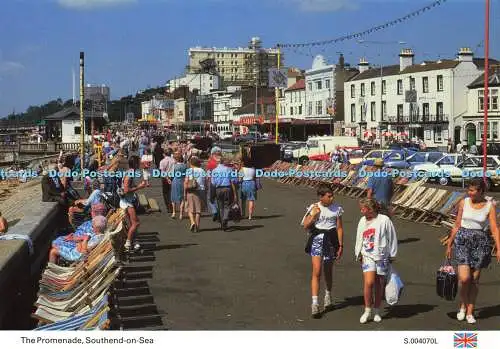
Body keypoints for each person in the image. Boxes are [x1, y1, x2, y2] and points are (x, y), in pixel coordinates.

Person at [445, 179, 500, 324]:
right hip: (463, 240)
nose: (469, 193)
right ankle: (463, 305)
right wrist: (449, 244)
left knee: (474, 280)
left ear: (481, 191)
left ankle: (470, 310)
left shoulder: (490, 206)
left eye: (472, 190)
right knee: (464, 278)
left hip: (481, 242)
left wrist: (499, 248)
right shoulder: (464, 202)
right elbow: (457, 224)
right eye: (468, 190)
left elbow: (494, 228)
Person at [301, 185, 344, 318]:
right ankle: (315, 303)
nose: (332, 198)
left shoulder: (337, 208)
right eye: (329, 196)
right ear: (321, 197)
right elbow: (305, 225)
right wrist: (313, 215)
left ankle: (328, 295)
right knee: (317, 270)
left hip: (331, 240)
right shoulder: (314, 207)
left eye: (332, 195)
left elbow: (339, 228)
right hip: (317, 239)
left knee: (328, 270)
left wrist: (341, 245)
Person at [355, 198, 398, 324]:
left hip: (382, 255)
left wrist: (392, 254)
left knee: (379, 283)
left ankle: (377, 310)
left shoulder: (384, 220)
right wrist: (358, 253)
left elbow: (392, 237)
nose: (360, 211)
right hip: (367, 254)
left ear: (370, 209)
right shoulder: (362, 221)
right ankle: (367, 310)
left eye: (363, 208)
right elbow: (359, 237)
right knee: (369, 282)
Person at [120, 155, 148, 251]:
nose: (140, 164)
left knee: (132, 224)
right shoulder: (130, 174)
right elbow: (126, 190)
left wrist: (138, 186)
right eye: (139, 162)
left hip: (126, 201)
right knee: (136, 223)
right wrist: (139, 187)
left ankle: (134, 241)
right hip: (127, 202)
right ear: (135, 163)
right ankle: (128, 243)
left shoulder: (130, 172)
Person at [211, 156, 238, 231]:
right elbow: (234, 180)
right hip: (227, 188)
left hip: (218, 189)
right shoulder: (229, 169)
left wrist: (212, 194)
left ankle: (223, 220)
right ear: (224, 162)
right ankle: (225, 218)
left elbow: (213, 183)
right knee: (227, 205)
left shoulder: (214, 170)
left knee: (220, 206)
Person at [184, 157, 206, 232]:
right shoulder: (202, 170)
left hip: (191, 190)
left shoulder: (189, 171)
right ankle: (197, 226)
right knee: (198, 210)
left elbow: (186, 182)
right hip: (200, 190)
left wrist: (184, 192)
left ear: (191, 163)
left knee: (190, 209)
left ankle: (192, 222)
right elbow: (205, 181)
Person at [171, 152, 188, 220]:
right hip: (183, 181)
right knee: (182, 198)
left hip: (175, 181)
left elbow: (172, 174)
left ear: (176, 159)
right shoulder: (185, 166)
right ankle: (181, 214)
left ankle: (174, 212)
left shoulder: (174, 166)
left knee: (173, 197)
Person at [159, 149, 175, 213]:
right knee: (171, 192)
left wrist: (167, 178)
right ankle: (172, 206)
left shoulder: (162, 161)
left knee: (165, 193)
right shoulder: (173, 160)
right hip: (172, 176)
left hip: (165, 178)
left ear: (164, 154)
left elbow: (162, 171)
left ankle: (168, 207)